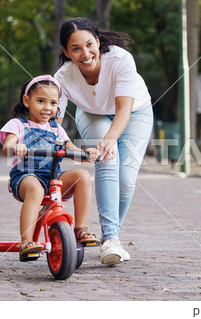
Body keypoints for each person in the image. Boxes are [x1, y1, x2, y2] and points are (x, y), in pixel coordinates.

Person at [55, 17, 154, 265]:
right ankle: (110, 240)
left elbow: (123, 110)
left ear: (98, 41)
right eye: (75, 49)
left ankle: (112, 239)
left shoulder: (120, 59)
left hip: (134, 112)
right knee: (108, 162)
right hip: (92, 114)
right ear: (67, 52)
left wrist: (110, 139)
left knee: (126, 180)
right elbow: (53, 122)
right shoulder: (63, 77)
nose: (85, 54)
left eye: (89, 44)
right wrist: (59, 145)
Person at [0, 74, 99, 258]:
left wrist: (86, 154)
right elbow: (7, 147)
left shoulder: (56, 129)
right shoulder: (18, 125)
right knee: (35, 189)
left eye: (53, 103)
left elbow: (72, 150)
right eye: (41, 101)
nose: (48, 107)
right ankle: (27, 242)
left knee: (83, 176)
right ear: (27, 101)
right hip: (25, 177)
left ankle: (79, 229)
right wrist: (15, 147)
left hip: (53, 178)